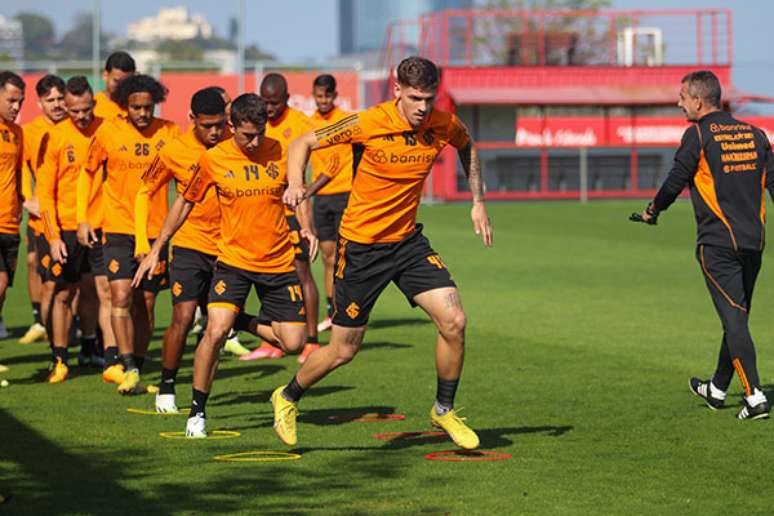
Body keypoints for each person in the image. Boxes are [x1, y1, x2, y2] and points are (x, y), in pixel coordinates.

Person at [274, 56, 493, 449]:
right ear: (397, 92)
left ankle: (443, 410)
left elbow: (468, 145)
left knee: (454, 320)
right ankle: (287, 397)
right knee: (343, 350)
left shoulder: (443, 124)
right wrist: (294, 183)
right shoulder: (368, 122)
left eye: (429, 98)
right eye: (414, 98)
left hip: (407, 243)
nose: (422, 107)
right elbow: (301, 142)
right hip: (361, 249)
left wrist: (477, 200)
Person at [133, 93, 317, 437]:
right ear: (232, 127)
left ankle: (241, 319)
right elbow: (184, 204)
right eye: (247, 134)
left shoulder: (284, 151)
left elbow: (297, 191)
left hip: (277, 262)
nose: (255, 141)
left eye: (260, 132)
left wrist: (306, 227)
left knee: (293, 343)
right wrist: (157, 246)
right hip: (232, 260)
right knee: (215, 331)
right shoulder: (214, 159)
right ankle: (197, 412)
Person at [637, 70, 774, 420]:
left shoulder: (697, 134)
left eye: (682, 96)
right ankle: (716, 388)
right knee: (737, 314)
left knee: (734, 320)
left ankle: (755, 395)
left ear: (699, 101)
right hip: (754, 243)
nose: (678, 102)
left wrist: (653, 210)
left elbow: (675, 182)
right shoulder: (756, 134)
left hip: (717, 245)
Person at [79, 74, 178, 394]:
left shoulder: (170, 132)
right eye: (136, 107)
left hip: (156, 233)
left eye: (148, 107)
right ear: (125, 105)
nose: (143, 113)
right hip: (118, 229)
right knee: (120, 295)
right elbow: (88, 171)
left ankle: (137, 356)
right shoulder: (108, 131)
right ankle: (128, 366)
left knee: (145, 303)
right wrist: (83, 218)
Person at [133, 87, 229, 412]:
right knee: (183, 316)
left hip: (229, 249)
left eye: (220, 124)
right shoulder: (173, 150)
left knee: (219, 325)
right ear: (192, 120)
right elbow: (144, 189)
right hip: (189, 244)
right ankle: (167, 384)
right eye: (208, 125)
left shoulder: (235, 145)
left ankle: (200, 398)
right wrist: (145, 243)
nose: (215, 132)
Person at [38, 76, 114, 382]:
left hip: (99, 225)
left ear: (93, 104)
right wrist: (53, 236)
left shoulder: (106, 130)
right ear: (65, 107)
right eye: (74, 111)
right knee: (63, 294)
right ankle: (59, 359)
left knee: (98, 291)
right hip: (65, 229)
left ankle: (99, 353)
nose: (81, 117)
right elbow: (44, 192)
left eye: (86, 110)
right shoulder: (55, 137)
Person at [239, 73, 319, 362]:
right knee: (264, 275)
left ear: (286, 99)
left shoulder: (301, 124)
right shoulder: (256, 122)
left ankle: (311, 340)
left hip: (293, 214)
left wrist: (306, 194)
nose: (269, 109)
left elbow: (327, 164)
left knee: (301, 273)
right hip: (263, 214)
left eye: (275, 103)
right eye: (265, 102)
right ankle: (271, 340)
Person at [19, 74, 67, 345]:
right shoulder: (30, 131)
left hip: (70, 214)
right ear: (39, 103)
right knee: (36, 265)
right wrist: (28, 199)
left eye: (60, 98)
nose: (57, 104)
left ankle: (73, 331)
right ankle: (40, 319)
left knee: (72, 279)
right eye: (51, 100)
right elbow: (22, 166)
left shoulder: (74, 127)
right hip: (42, 216)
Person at [309, 74, 354, 338]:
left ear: (335, 96)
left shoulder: (346, 120)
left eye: (327, 96)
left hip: (345, 193)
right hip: (321, 197)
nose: (322, 100)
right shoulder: (310, 123)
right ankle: (331, 310)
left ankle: (345, 307)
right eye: (318, 96)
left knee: (343, 256)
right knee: (327, 257)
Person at [0, 71, 25, 341]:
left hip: (9, 222)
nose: (16, 107)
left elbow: (18, 174)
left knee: (3, 289)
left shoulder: (17, 132)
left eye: (21, 101)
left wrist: (21, 201)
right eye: (11, 100)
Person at [93, 51, 135, 121]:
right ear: (105, 76)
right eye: (117, 81)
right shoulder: (92, 107)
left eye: (126, 82)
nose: (121, 86)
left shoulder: (137, 107)